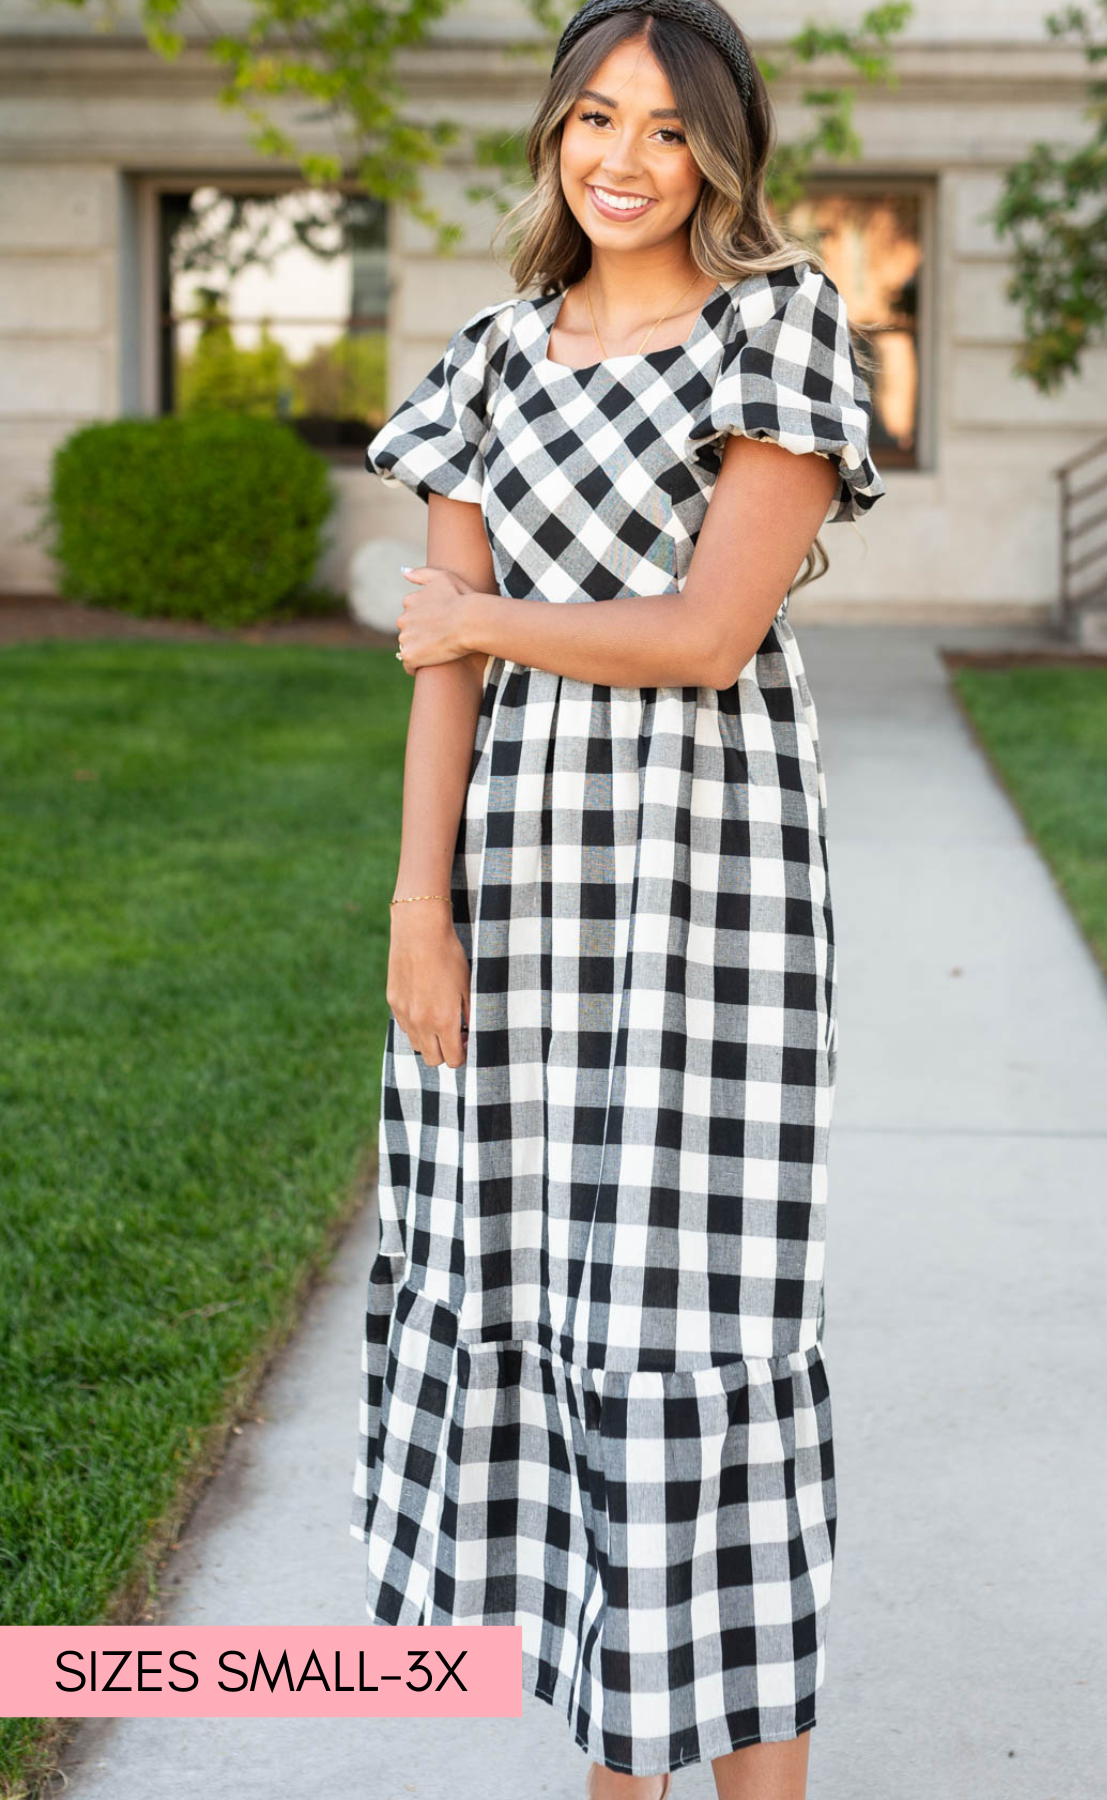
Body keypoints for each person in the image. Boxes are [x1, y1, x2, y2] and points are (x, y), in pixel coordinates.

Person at [349, 1, 885, 1794]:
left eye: (666, 128)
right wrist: (419, 910)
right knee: (539, 1302)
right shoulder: (491, 357)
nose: (623, 160)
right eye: (592, 118)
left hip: (708, 890)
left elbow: (705, 633)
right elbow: (441, 680)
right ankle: (615, 1761)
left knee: (696, 1329)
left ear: (720, 153)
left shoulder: (776, 327)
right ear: (552, 138)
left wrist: (479, 615)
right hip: (518, 874)